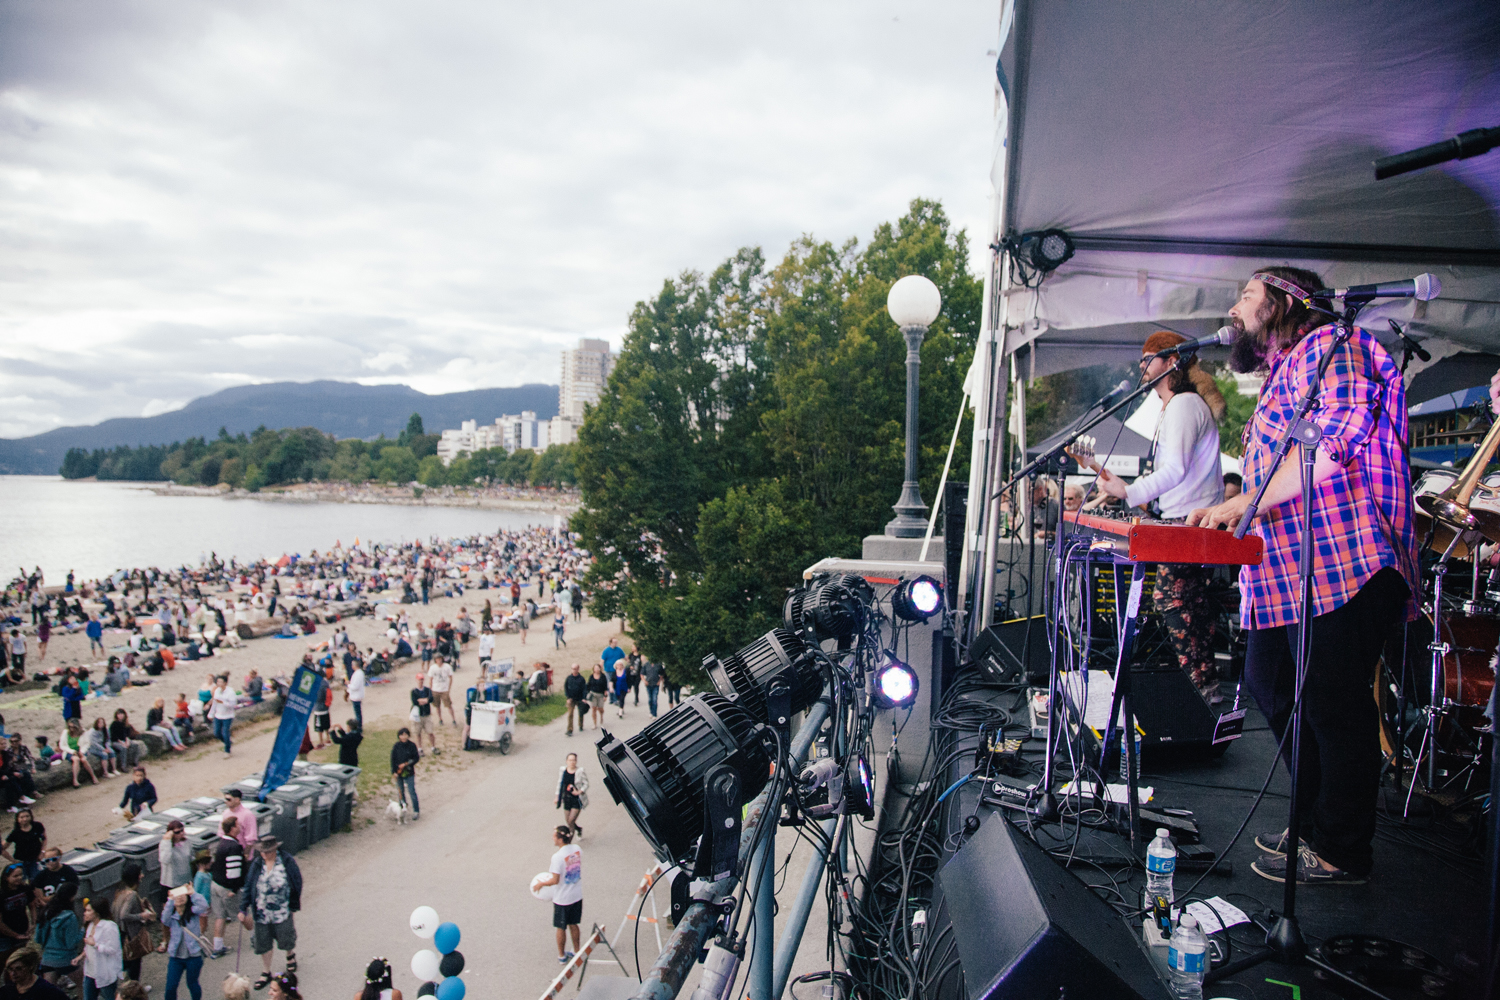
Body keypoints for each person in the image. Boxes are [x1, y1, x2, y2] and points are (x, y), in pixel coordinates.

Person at [1189, 265, 1418, 886]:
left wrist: (1246, 500)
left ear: (1285, 302)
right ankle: (1314, 821)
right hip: (1293, 574)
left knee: (1330, 702)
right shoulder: (1287, 369)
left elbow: (1336, 442)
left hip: (1351, 560)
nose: (1235, 307)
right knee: (1270, 684)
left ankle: (1344, 849)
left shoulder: (1337, 347)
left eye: (1246, 295)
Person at [1094, 331, 1227, 699]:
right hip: (1184, 516)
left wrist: (1130, 491)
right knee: (1189, 602)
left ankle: (1201, 687)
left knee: (1172, 599)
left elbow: (1176, 470)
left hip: (1191, 520)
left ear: (1171, 361)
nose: (1141, 365)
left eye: (1148, 357)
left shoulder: (1184, 404)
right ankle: (1205, 685)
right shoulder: (1178, 405)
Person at [238, 835, 301, 991]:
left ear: (274, 850)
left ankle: (290, 955)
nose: (263, 855)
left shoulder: (286, 860)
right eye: (261, 852)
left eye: (267, 852)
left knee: (285, 937)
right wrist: (243, 908)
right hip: (262, 911)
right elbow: (249, 885)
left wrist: (293, 905)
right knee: (263, 942)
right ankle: (266, 972)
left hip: (282, 910)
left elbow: (296, 881)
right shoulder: (257, 864)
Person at [535, 826, 582, 965]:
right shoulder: (577, 850)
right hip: (576, 895)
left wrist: (540, 884)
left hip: (562, 898)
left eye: (554, 836)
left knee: (561, 927)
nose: (552, 838)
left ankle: (562, 956)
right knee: (574, 924)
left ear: (560, 839)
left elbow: (555, 880)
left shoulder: (557, 857)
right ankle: (577, 951)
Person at [156, 885, 207, 1000]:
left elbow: (204, 905)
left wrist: (193, 893)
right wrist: (170, 901)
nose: (180, 898)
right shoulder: (172, 916)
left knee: (192, 984)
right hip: (176, 956)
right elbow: (164, 919)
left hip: (193, 955)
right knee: (170, 986)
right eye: (177, 895)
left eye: (182, 894)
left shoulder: (193, 912)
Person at [111, 863, 155, 984]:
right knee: (135, 964)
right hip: (132, 935)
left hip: (122, 932)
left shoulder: (121, 891)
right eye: (140, 873)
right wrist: (142, 915)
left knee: (128, 962)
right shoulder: (132, 895)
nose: (142, 875)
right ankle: (133, 989)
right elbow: (124, 915)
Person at [208, 817, 244, 959]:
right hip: (226, 888)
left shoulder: (221, 843)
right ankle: (256, 938)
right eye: (238, 824)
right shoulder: (234, 847)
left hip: (215, 884)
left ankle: (217, 947)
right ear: (233, 828)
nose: (240, 826)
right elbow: (234, 872)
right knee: (243, 913)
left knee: (220, 916)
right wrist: (234, 890)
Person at [35, 885, 83, 992]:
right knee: (83, 986)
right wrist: (83, 932)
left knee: (49, 992)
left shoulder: (45, 913)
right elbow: (70, 944)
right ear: (71, 898)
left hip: (47, 959)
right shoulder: (70, 917)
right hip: (66, 960)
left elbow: (37, 939)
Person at [77, 894, 121, 1000]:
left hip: (105, 973)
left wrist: (96, 945)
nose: (85, 913)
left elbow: (113, 949)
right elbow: (88, 946)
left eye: (88, 911)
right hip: (90, 972)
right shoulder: (90, 925)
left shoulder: (109, 927)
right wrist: (81, 956)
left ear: (96, 912)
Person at [2, 945, 68, 1000]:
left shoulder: (47, 990)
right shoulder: (8, 989)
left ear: (30, 966)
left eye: (18, 969)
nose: (13, 973)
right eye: (10, 969)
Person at [157, 821, 193, 908]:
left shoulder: (187, 842)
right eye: (177, 832)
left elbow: (191, 857)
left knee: (185, 906)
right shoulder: (165, 844)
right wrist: (167, 841)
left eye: (182, 830)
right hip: (171, 882)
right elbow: (165, 859)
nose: (181, 833)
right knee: (170, 907)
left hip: (185, 879)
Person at [0, 866, 31, 966]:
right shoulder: (2, 894)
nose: (19, 878)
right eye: (15, 876)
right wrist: (16, 935)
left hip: (22, 929)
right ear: (6, 877)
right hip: (4, 935)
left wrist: (32, 923)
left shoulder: (24, 889)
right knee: (4, 961)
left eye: (21, 875)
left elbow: (32, 905)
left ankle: (12, 981)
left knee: (17, 962)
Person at [1, 813, 44, 880]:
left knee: (36, 881)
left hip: (35, 860)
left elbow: (44, 839)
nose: (25, 819)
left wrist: (42, 852)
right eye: (22, 817)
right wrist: (13, 860)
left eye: (27, 816)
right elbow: (2, 848)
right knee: (21, 882)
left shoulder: (37, 826)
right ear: (17, 819)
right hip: (21, 862)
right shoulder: (15, 833)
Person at [555, 753, 588, 841]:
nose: (572, 762)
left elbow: (585, 784)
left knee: (570, 821)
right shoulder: (563, 770)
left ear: (576, 761)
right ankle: (578, 829)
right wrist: (557, 796)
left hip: (576, 800)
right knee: (568, 821)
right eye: (570, 760)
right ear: (566, 761)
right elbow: (560, 783)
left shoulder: (580, 771)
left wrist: (579, 792)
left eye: (573, 760)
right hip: (566, 799)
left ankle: (569, 842)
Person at [390, 729, 420, 820]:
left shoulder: (412, 746)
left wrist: (406, 764)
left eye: (405, 734)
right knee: (400, 792)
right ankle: (402, 809)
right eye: (401, 735)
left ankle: (416, 810)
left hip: (409, 772)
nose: (403, 736)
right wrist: (394, 772)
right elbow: (393, 759)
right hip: (399, 773)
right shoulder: (396, 746)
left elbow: (416, 758)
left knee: (411, 791)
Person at [209, 675, 237, 758]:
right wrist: (211, 713)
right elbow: (214, 703)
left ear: (225, 683)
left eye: (220, 682)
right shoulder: (217, 691)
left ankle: (227, 750)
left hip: (227, 716)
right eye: (218, 682)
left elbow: (233, 704)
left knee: (225, 732)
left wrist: (223, 702)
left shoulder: (230, 692)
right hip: (218, 715)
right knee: (217, 732)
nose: (219, 683)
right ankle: (227, 742)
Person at [408, 675, 435, 753]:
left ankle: (433, 746)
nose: (421, 681)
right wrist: (425, 700)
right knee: (418, 733)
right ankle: (420, 748)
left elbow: (430, 699)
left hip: (426, 714)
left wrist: (421, 700)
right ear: (416, 680)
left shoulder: (427, 689)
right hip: (418, 715)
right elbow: (415, 702)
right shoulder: (414, 691)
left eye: (422, 680)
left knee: (430, 731)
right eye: (419, 680)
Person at [427, 656, 455, 727]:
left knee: (449, 705)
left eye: (440, 659)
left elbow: (451, 677)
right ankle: (440, 719)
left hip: (444, 689)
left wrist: (449, 688)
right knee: (437, 706)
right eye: (437, 659)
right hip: (435, 689)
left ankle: (453, 719)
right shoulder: (433, 668)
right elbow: (430, 679)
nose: (439, 661)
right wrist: (430, 689)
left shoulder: (447, 667)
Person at [563, 665, 587, 737]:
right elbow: (566, 688)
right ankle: (570, 729)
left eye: (575, 669)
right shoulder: (569, 678)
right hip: (571, 699)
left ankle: (581, 725)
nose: (574, 670)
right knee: (570, 714)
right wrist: (568, 698)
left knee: (580, 713)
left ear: (578, 669)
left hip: (579, 698)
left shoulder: (581, 679)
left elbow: (584, 689)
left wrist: (584, 698)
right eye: (573, 669)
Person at [586, 665, 608, 730]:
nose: (597, 669)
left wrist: (605, 695)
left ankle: (601, 716)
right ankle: (594, 723)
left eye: (598, 668)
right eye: (595, 668)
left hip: (600, 694)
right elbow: (588, 685)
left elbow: (605, 686)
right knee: (594, 709)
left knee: (600, 708)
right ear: (593, 669)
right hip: (593, 694)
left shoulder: (603, 676)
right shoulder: (591, 676)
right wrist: (587, 693)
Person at [344, 662, 365, 729]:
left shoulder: (358, 674)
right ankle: (358, 726)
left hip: (356, 696)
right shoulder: (357, 673)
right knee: (357, 713)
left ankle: (358, 727)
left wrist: (348, 684)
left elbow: (355, 686)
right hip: (355, 695)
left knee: (358, 714)